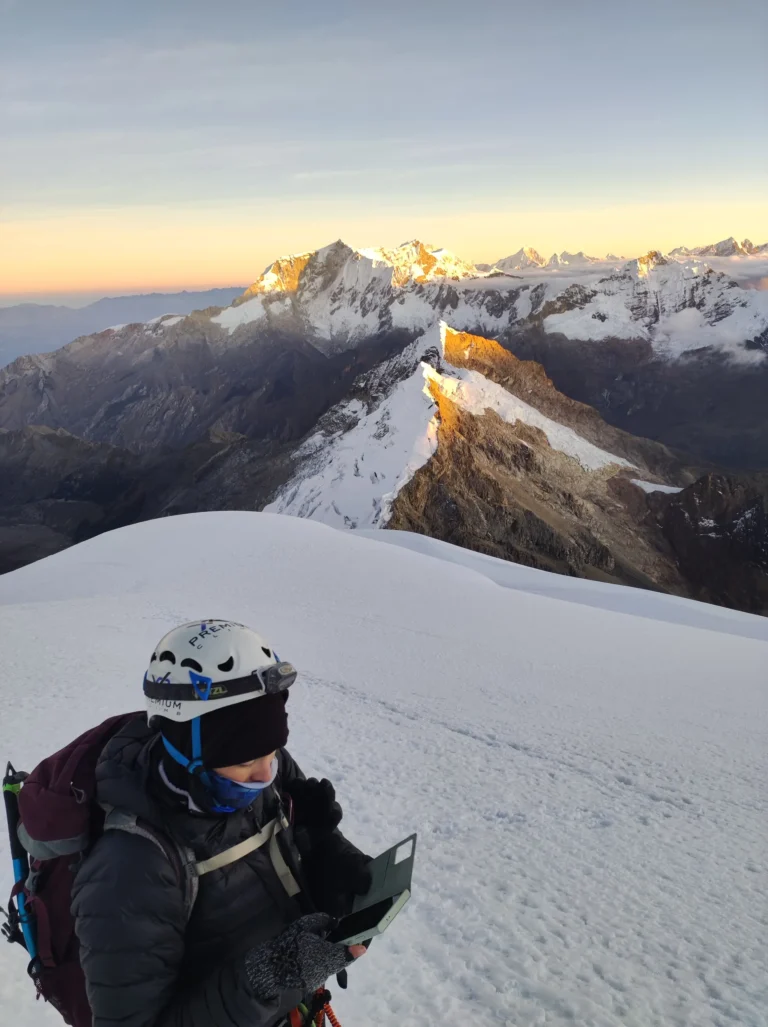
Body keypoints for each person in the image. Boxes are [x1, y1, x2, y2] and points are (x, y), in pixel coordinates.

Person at [71, 619, 373, 1027]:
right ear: (186, 750)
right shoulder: (129, 870)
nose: (266, 773)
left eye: (273, 750)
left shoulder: (263, 771)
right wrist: (270, 976)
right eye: (247, 760)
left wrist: (326, 851)